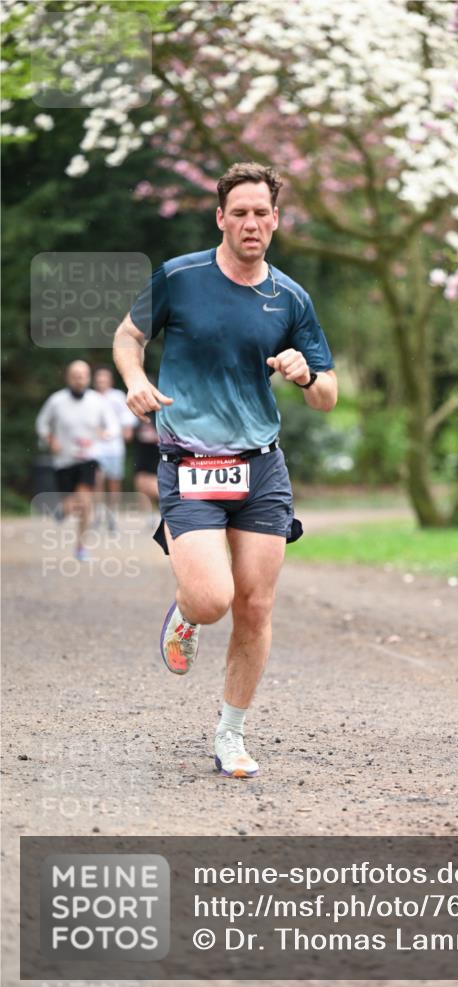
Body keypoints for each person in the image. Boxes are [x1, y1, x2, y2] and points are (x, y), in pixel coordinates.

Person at [113, 162, 337, 778]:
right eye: (238, 212)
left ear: (275, 219)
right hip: (189, 462)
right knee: (213, 599)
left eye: (261, 212)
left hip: (261, 467)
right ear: (220, 217)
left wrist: (306, 375)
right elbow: (128, 336)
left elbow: (328, 394)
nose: (251, 223)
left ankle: (231, 734)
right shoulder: (180, 278)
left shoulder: (291, 298)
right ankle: (187, 614)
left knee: (256, 606)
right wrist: (135, 380)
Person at [35, 359, 120, 560]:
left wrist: (105, 434)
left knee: (85, 502)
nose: (79, 379)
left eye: (82, 375)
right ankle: (62, 510)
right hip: (63, 461)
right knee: (73, 504)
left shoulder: (97, 402)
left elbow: (113, 427)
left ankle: (81, 546)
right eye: (75, 375)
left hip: (88, 459)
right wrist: (50, 439)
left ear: (88, 378)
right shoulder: (56, 401)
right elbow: (42, 424)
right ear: (68, 378)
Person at [91, 365, 135, 530]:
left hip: (114, 447)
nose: (101, 382)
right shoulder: (91, 398)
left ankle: (112, 515)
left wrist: (128, 429)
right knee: (97, 481)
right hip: (95, 447)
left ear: (109, 381)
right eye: (99, 380)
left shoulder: (117, 396)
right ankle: (98, 514)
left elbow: (127, 415)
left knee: (114, 482)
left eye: (104, 379)